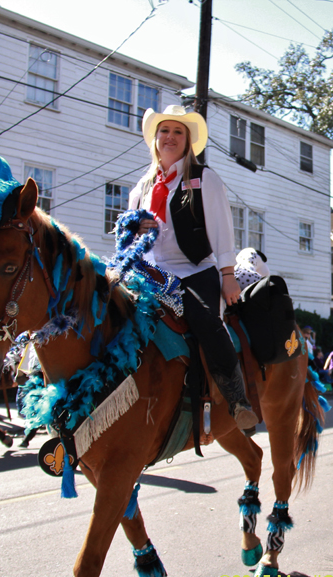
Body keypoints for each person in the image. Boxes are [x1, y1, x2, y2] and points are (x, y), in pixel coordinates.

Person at [128, 105, 257, 431]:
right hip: (150, 273)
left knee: (206, 321)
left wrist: (227, 275)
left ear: (187, 141)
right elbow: (128, 238)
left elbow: (222, 229)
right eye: (164, 131)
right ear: (155, 138)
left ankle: (237, 399)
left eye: (178, 132)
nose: (170, 137)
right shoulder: (141, 187)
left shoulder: (204, 179)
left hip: (194, 270)